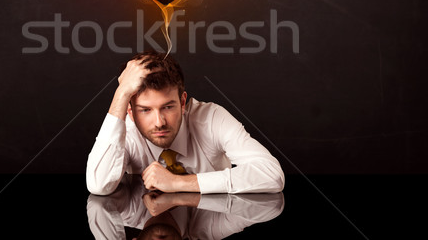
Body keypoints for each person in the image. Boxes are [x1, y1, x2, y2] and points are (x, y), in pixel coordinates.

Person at [86, 51, 285, 195]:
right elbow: (98, 185)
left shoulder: (211, 118)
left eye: (168, 107)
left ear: (182, 102)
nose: (159, 122)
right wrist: (121, 94)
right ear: (130, 110)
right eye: (145, 110)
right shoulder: (126, 130)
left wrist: (178, 183)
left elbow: (272, 175)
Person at [86, 174, 285, 239]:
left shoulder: (122, 213)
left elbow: (272, 178)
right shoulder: (211, 228)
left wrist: (178, 183)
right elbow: (272, 209)